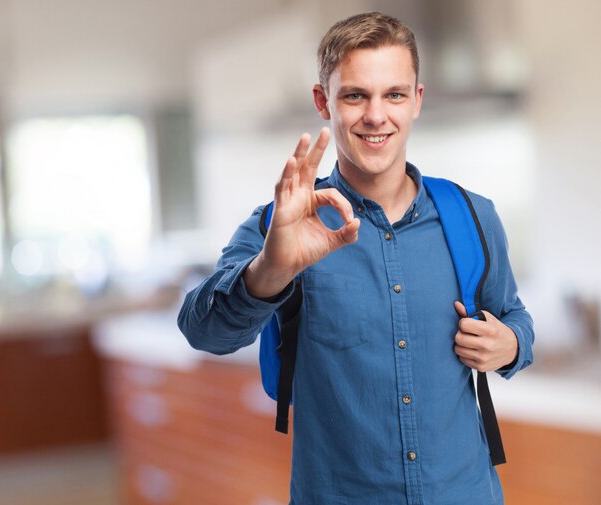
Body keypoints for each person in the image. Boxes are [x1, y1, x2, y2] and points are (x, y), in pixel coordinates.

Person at [178, 11, 534, 505]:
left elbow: (514, 315)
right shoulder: (278, 226)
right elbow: (203, 331)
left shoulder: (474, 216)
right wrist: (273, 266)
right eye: (354, 95)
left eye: (394, 94)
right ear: (324, 101)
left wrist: (511, 344)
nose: (375, 115)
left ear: (416, 101)